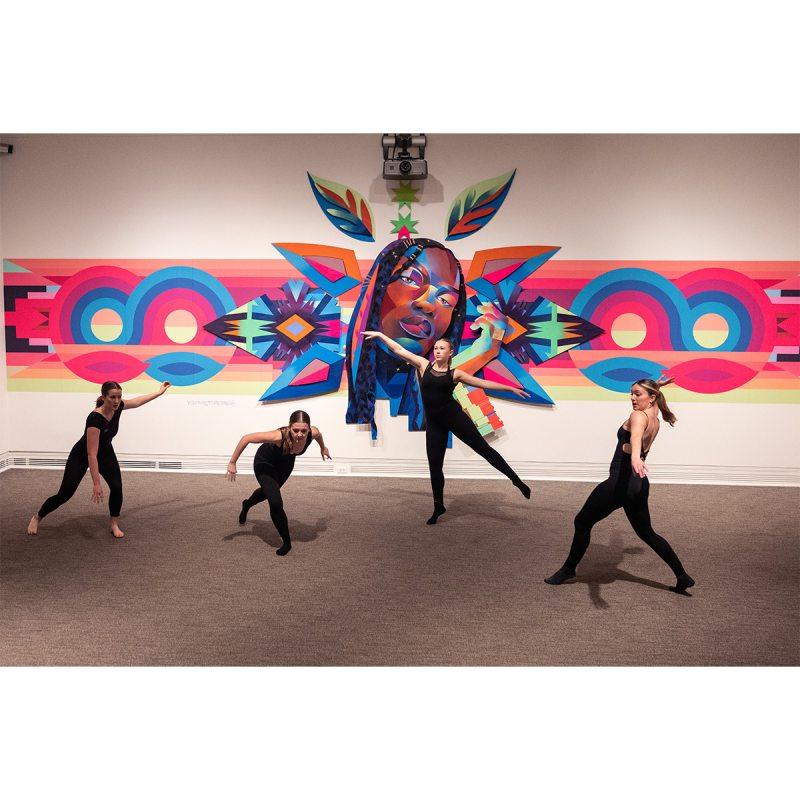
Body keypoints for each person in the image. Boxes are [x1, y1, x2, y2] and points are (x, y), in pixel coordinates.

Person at [361, 331, 531, 524]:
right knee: (435, 466)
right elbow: (398, 349)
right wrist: (381, 335)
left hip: (455, 418)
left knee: (484, 450)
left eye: (442, 348)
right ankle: (438, 506)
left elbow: (482, 383)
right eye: (436, 348)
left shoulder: (455, 373)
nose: (437, 351)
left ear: (450, 352)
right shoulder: (424, 365)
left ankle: (515, 479)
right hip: (435, 424)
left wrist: (509, 388)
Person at [544, 377, 695, 594]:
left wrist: (635, 457)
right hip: (639, 485)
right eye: (631, 393)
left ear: (651, 398)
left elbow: (635, 436)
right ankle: (682, 576)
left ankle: (569, 569)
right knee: (647, 533)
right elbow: (639, 428)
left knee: (582, 521)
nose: (633, 398)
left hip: (620, 482)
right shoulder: (655, 418)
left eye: (638, 394)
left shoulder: (638, 416)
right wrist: (657, 387)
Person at [27, 380, 171, 538]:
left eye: (119, 397)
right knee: (65, 494)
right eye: (112, 397)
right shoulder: (95, 419)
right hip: (82, 455)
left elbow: (136, 402)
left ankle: (114, 524)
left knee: (117, 487)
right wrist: (96, 483)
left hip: (105, 452)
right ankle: (37, 517)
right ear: (103, 398)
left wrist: (159, 392)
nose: (117, 401)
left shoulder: (119, 406)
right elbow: (91, 454)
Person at [226, 410, 331, 556]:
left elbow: (318, 436)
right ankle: (287, 542)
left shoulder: (312, 433)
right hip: (265, 462)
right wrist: (232, 462)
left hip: (285, 463)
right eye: (295, 430)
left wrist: (323, 448)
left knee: (267, 492)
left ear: (309, 428)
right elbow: (247, 438)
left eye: (303, 431)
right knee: (275, 502)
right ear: (289, 427)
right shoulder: (278, 436)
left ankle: (247, 504)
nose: (300, 434)